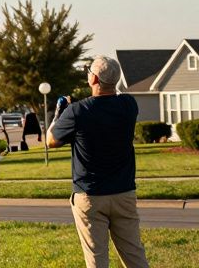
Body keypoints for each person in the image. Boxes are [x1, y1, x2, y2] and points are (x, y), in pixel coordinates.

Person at [47, 56, 149, 268]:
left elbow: (51, 140)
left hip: (90, 195)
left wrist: (60, 113)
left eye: (89, 72)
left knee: (97, 258)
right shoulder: (129, 105)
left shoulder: (77, 111)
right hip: (124, 193)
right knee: (135, 256)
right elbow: (109, 103)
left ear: (93, 79)